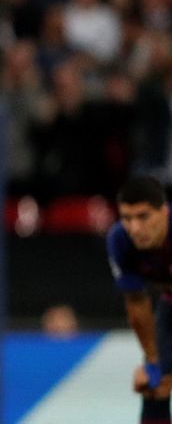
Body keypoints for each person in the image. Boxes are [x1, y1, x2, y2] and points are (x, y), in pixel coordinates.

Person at [107, 176, 172, 423]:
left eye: (143, 217)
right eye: (126, 218)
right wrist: (154, 365)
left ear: (164, 212)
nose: (134, 228)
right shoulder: (119, 241)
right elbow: (137, 304)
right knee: (153, 388)